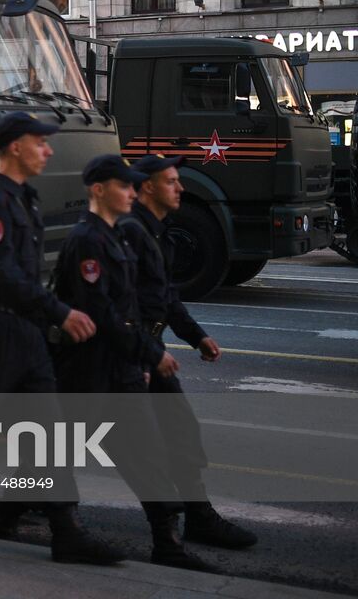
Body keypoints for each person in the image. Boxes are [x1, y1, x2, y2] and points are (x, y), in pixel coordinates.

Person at [0, 111, 123, 565]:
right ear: (14, 147)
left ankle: (65, 531)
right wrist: (61, 311)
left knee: (50, 436)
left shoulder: (24, 198)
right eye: (40, 142)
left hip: (25, 332)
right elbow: (1, 275)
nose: (48, 150)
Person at [54, 154, 217, 572]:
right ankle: (29, 521)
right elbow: (103, 311)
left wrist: (170, 342)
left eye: (133, 185)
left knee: (144, 451)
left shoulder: (115, 235)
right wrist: (151, 352)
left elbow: (148, 299)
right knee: (58, 452)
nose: (132, 192)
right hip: (91, 367)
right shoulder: (90, 239)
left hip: (121, 365)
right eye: (124, 186)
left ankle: (169, 543)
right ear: (98, 190)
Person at [123, 154, 257, 550]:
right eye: (171, 181)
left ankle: (198, 516)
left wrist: (195, 335)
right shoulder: (131, 232)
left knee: (180, 429)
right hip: (129, 355)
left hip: (149, 351)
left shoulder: (158, 231)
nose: (180, 188)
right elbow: (120, 305)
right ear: (147, 187)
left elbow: (165, 296)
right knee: (110, 440)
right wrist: (149, 353)